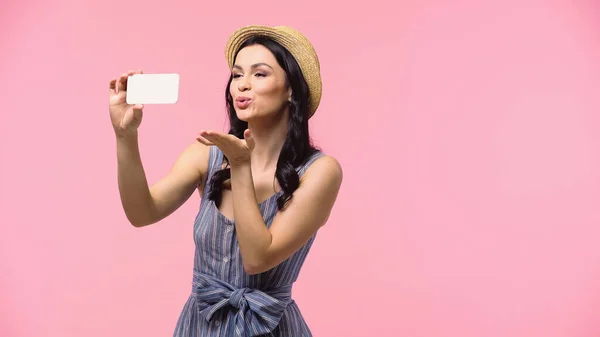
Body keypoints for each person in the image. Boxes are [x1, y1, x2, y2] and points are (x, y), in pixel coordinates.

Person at [108, 25, 343, 336]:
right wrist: (125, 135)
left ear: (291, 90)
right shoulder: (206, 155)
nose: (242, 86)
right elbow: (142, 212)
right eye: (236, 75)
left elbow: (257, 258)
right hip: (200, 326)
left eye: (259, 74)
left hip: (271, 327)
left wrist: (241, 165)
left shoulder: (319, 172)